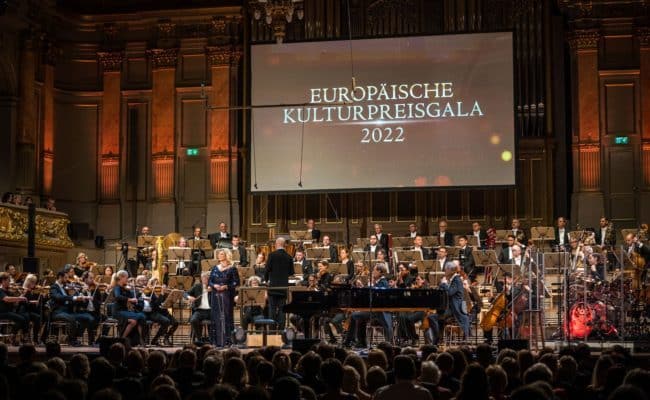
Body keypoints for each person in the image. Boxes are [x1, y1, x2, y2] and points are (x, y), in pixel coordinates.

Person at [343, 264, 392, 347]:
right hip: (373, 310)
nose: (372, 272)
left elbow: (377, 296)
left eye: (374, 270)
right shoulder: (378, 282)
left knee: (354, 315)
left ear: (380, 272)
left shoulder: (383, 282)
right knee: (359, 317)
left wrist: (370, 285)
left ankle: (348, 341)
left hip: (378, 312)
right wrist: (362, 287)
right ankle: (361, 342)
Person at [49, 270, 95, 346]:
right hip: (58, 312)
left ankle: (90, 341)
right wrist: (73, 297)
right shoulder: (54, 287)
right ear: (60, 277)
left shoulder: (65, 287)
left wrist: (80, 298)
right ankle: (72, 340)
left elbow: (71, 301)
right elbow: (59, 297)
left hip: (68, 312)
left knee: (89, 318)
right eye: (65, 278)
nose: (67, 280)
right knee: (71, 319)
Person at [209, 249, 240, 347]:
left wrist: (226, 286)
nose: (219, 255)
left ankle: (228, 341)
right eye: (218, 254)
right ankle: (216, 341)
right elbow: (210, 281)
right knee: (216, 317)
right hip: (215, 295)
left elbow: (236, 282)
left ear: (227, 255)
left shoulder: (232, 268)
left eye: (221, 254)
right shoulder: (215, 268)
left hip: (227, 295)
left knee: (226, 317)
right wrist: (214, 285)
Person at [265, 237, 294, 329]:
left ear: (276, 244)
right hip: (283, 287)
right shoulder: (289, 256)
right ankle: (281, 330)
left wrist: (266, 280)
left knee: (272, 309)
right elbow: (291, 272)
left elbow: (267, 270)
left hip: (273, 287)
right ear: (284, 244)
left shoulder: (272, 255)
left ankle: (272, 330)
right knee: (282, 309)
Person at [111, 270, 146, 345]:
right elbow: (118, 297)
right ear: (121, 277)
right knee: (140, 316)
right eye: (126, 278)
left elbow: (133, 297)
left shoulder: (126, 288)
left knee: (134, 321)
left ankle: (134, 339)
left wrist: (138, 293)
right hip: (118, 311)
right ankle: (137, 339)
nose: (127, 280)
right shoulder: (117, 287)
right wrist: (130, 299)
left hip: (125, 311)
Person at [439, 261, 470, 338]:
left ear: (451, 271)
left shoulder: (456, 279)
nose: (445, 271)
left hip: (456, 308)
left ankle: (438, 339)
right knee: (438, 318)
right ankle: (440, 338)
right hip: (453, 307)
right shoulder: (453, 279)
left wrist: (444, 283)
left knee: (437, 318)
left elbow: (450, 292)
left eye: (446, 270)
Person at [144, 277, 178, 346]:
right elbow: (156, 305)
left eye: (158, 283)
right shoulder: (149, 293)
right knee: (166, 321)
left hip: (164, 312)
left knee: (176, 323)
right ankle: (155, 340)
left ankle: (166, 337)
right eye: (155, 283)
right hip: (154, 313)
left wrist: (171, 295)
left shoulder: (163, 293)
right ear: (151, 285)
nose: (157, 285)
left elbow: (168, 302)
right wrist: (162, 294)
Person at [0, 272, 28, 342]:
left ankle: (14, 336)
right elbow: (6, 299)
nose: (10, 282)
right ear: (3, 281)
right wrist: (20, 298)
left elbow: (15, 303)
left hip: (9, 312)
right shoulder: (0, 290)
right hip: (2, 313)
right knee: (22, 319)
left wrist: (23, 294)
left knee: (24, 318)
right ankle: (22, 337)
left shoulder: (8, 291)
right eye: (8, 280)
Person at [186, 272, 212, 343]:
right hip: (199, 311)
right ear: (201, 278)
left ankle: (212, 338)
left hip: (211, 311)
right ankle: (199, 338)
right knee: (193, 320)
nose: (205, 279)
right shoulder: (197, 286)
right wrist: (189, 297)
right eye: (204, 278)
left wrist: (213, 291)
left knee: (218, 319)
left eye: (207, 278)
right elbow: (185, 293)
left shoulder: (212, 287)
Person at [19, 274, 44, 344]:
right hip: (22, 310)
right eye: (33, 282)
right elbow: (20, 302)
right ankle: (25, 336)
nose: (34, 284)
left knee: (38, 317)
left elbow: (31, 301)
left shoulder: (32, 290)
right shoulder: (23, 289)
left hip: (29, 310)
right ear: (28, 281)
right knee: (26, 317)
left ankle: (35, 338)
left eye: (35, 282)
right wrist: (30, 302)